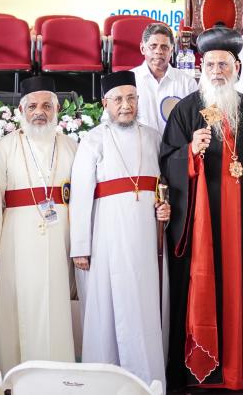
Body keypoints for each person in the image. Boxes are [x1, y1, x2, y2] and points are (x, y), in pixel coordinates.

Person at [160, 26, 243, 390]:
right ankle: (196, 368)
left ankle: (237, 367)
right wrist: (189, 152)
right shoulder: (187, 109)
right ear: (201, 67)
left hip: (239, 219)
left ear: (237, 67)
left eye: (224, 64)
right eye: (211, 64)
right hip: (198, 221)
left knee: (238, 290)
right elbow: (166, 160)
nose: (217, 71)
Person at [70, 71, 170, 389]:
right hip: (107, 236)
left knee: (145, 306)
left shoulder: (153, 137)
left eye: (131, 99)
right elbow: (81, 196)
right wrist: (80, 247)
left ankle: (149, 381)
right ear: (105, 104)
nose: (126, 106)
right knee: (108, 309)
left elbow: (164, 186)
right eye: (118, 100)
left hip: (147, 237)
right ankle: (107, 383)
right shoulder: (93, 140)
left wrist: (165, 209)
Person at [0, 76, 77, 373]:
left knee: (56, 306)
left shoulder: (72, 147)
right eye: (33, 106)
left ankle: (58, 377)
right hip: (15, 239)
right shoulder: (5, 147)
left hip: (60, 237)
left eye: (47, 106)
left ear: (57, 109)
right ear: (21, 110)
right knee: (15, 307)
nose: (40, 112)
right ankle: (14, 378)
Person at [131, 22, 197, 133]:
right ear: (142, 48)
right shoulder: (129, 80)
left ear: (171, 50)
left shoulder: (187, 82)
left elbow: (199, 119)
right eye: (153, 46)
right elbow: (109, 120)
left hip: (178, 143)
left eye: (164, 47)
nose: (158, 51)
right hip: (139, 143)